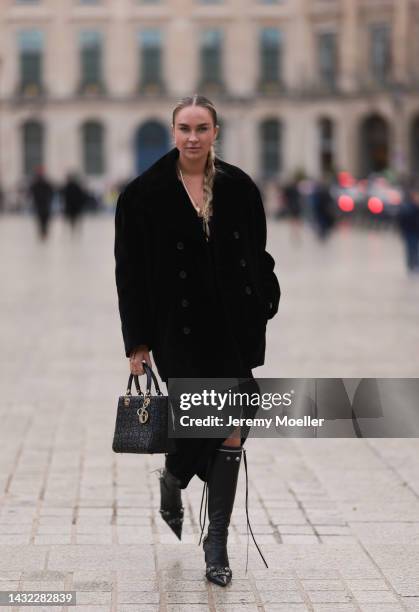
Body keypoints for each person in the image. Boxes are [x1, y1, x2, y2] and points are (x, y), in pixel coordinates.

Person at [114, 95, 280, 586]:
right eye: (184, 128)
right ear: (172, 132)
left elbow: (259, 251)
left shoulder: (240, 187)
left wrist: (265, 298)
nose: (193, 137)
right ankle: (174, 478)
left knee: (231, 422)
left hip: (232, 326)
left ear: (215, 132)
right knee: (196, 421)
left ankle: (217, 543)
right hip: (176, 331)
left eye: (201, 128)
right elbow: (130, 275)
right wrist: (137, 343)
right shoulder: (142, 194)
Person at [29, 167, 54, 240]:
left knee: (42, 220)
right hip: (43, 205)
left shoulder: (36, 184)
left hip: (42, 205)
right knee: (43, 220)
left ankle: (43, 233)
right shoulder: (43, 183)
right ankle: (43, 233)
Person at [398, 186, 419, 273]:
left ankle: (416, 265)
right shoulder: (408, 208)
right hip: (410, 233)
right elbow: (403, 221)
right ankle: (411, 266)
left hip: (416, 232)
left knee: (416, 250)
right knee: (411, 249)